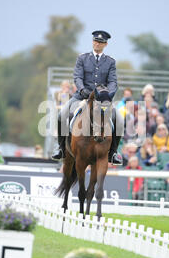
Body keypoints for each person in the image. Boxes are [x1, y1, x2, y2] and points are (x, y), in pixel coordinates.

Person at [52, 30, 123, 165]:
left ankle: (113, 152)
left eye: (101, 42)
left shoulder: (110, 62)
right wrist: (82, 89)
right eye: (96, 41)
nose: (98, 44)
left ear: (105, 44)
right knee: (62, 114)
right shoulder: (82, 58)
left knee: (119, 119)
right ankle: (60, 148)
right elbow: (77, 77)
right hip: (82, 96)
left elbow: (113, 82)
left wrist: (108, 94)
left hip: (102, 99)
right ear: (92, 42)